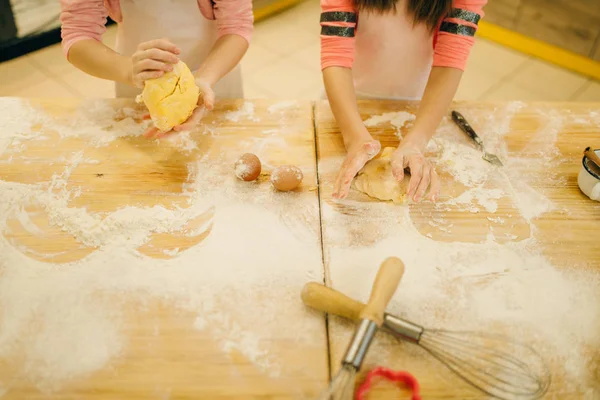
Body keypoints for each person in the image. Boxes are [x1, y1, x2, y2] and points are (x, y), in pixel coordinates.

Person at [320, 0, 487, 202]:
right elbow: (335, 54)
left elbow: (451, 58)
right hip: (346, 99)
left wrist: (416, 142)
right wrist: (355, 138)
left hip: (419, 102)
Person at [59, 0, 253, 136]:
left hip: (216, 73)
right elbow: (78, 34)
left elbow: (237, 26)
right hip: (135, 78)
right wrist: (128, 70)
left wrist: (204, 79)